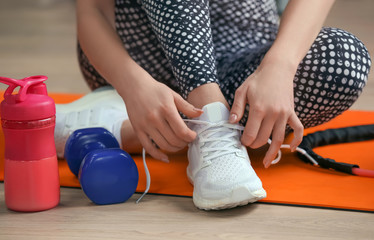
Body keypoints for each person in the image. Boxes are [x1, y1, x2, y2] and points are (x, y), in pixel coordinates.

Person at [55, 0, 371, 210]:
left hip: (244, 53)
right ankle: (208, 118)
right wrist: (132, 85)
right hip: (138, 52)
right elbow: (92, 9)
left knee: (344, 61)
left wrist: (280, 66)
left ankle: (123, 129)